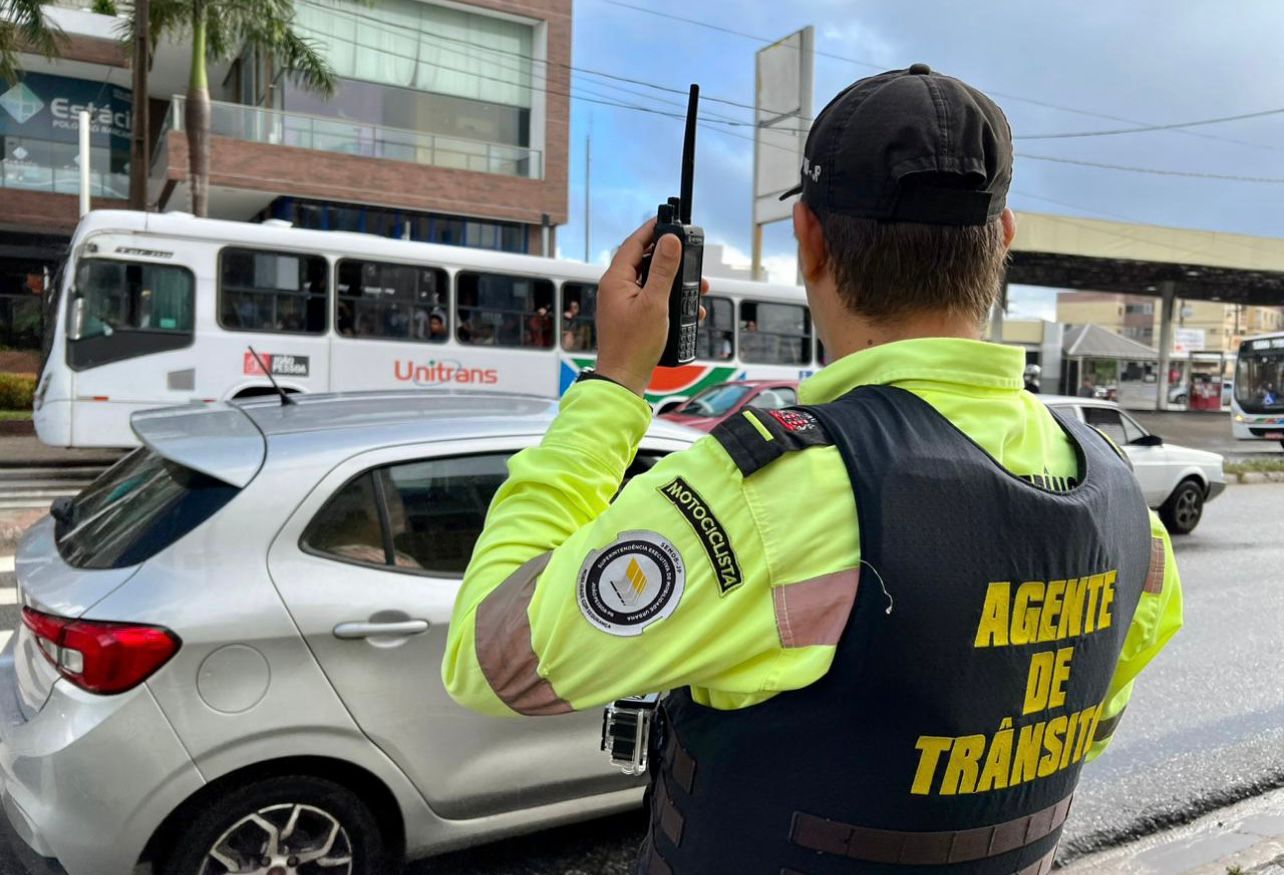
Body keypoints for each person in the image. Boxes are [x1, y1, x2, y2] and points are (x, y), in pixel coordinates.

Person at [442, 64, 1182, 875]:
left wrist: (615, 386)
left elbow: (492, 660)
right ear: (1002, 238)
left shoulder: (772, 491)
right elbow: (1086, 725)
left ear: (810, 239)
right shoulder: (1125, 511)